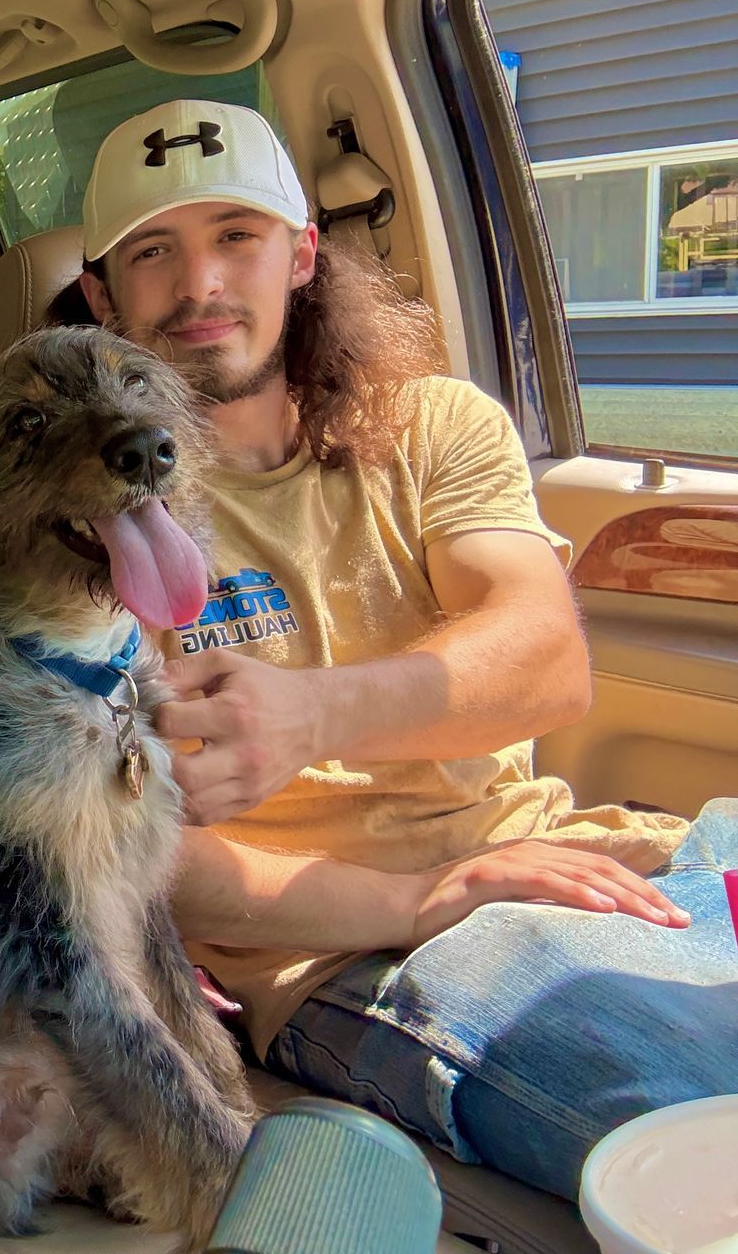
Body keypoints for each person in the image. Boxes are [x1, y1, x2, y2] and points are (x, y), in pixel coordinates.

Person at [49, 97, 734, 1200]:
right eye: (153, 253)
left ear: (304, 253)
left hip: (575, 853)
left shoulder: (434, 425)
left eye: (238, 236)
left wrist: (315, 712)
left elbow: (542, 659)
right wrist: (425, 902)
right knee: (703, 1114)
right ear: (100, 296)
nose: (201, 287)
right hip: (357, 952)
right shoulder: (72, 523)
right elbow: (120, 860)